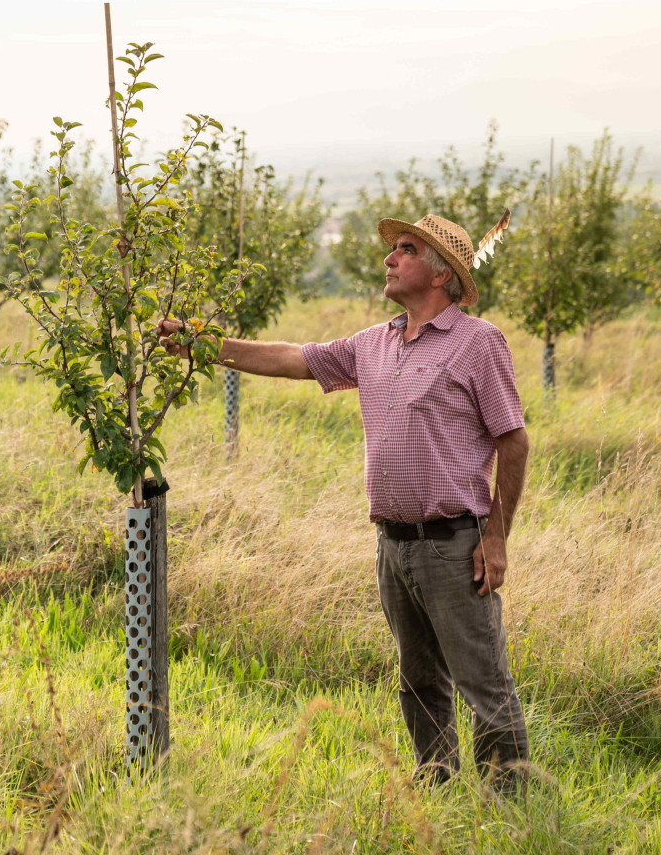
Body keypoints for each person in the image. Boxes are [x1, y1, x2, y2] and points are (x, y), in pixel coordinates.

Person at [160, 212, 530, 789]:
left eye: (406, 250)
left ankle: (511, 803)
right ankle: (437, 784)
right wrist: (201, 345)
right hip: (393, 545)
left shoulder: (477, 343)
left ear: (440, 273)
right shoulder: (373, 345)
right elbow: (292, 358)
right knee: (417, 680)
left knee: (483, 680)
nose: (390, 257)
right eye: (395, 248)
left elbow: (513, 439)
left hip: (455, 544)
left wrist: (497, 536)